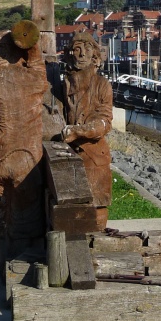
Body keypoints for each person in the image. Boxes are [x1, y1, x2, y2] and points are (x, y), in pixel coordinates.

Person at [0, 22, 47, 260]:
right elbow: (37, 61)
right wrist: (29, 42)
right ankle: (22, 253)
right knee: (27, 211)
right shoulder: (32, 76)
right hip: (28, 158)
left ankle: (1, 248)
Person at [61, 32, 113, 231]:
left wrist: (80, 131)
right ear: (70, 54)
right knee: (70, 209)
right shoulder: (65, 84)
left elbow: (104, 121)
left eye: (87, 49)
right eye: (77, 49)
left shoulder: (102, 85)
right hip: (68, 154)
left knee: (97, 206)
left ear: (94, 56)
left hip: (94, 154)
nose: (82, 54)